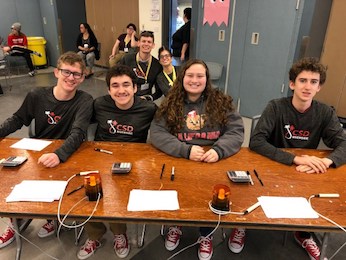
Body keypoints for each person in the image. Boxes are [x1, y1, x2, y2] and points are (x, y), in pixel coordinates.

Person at [248, 57, 346, 260]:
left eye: (313, 82)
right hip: (274, 164)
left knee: (319, 199)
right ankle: (240, 227)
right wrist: (294, 159)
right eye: (302, 80)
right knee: (248, 189)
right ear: (292, 84)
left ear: (319, 87)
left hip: (306, 172)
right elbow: (256, 141)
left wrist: (326, 161)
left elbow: (343, 144)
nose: (307, 86)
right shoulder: (276, 107)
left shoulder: (325, 112)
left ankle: (303, 233)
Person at [150, 59, 244, 260]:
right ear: (183, 77)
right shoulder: (170, 102)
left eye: (200, 76)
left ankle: (206, 235)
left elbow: (236, 131)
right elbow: (157, 133)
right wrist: (184, 150)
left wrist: (219, 150)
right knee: (177, 190)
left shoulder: (222, 101)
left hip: (213, 159)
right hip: (182, 158)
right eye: (190, 75)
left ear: (207, 79)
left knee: (209, 195)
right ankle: (177, 224)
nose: (194, 80)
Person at [0, 51, 93, 249]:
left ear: (83, 78)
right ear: (57, 73)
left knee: (63, 185)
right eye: (67, 72)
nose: (71, 77)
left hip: (67, 152)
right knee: (10, 180)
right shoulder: (37, 95)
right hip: (39, 150)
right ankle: (14, 222)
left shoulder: (84, 100)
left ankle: (52, 217)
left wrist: (59, 154)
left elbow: (78, 133)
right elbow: (17, 119)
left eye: (77, 74)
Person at [77, 64, 156, 259]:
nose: (121, 90)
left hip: (133, 163)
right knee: (88, 191)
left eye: (126, 85)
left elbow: (167, 127)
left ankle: (120, 234)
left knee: (116, 195)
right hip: (101, 157)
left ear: (135, 88)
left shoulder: (148, 108)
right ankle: (94, 235)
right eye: (115, 86)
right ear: (108, 89)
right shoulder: (99, 104)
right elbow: (78, 123)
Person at [119, 31, 162, 101]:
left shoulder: (157, 65)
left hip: (146, 100)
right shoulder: (127, 59)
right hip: (128, 97)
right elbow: (118, 78)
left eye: (149, 42)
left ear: (153, 45)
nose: (146, 44)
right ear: (138, 43)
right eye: (143, 41)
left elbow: (159, 91)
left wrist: (149, 98)